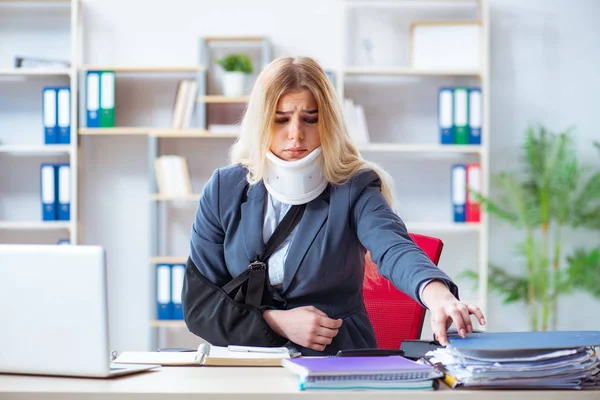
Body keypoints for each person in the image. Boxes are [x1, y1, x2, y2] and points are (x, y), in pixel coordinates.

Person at [183, 56, 485, 356]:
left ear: (326, 122)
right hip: (247, 363)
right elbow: (201, 306)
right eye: (281, 118)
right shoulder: (225, 189)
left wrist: (439, 296)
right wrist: (276, 322)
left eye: (310, 119)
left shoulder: (353, 187)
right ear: (261, 122)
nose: (296, 133)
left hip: (334, 359)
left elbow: (394, 248)